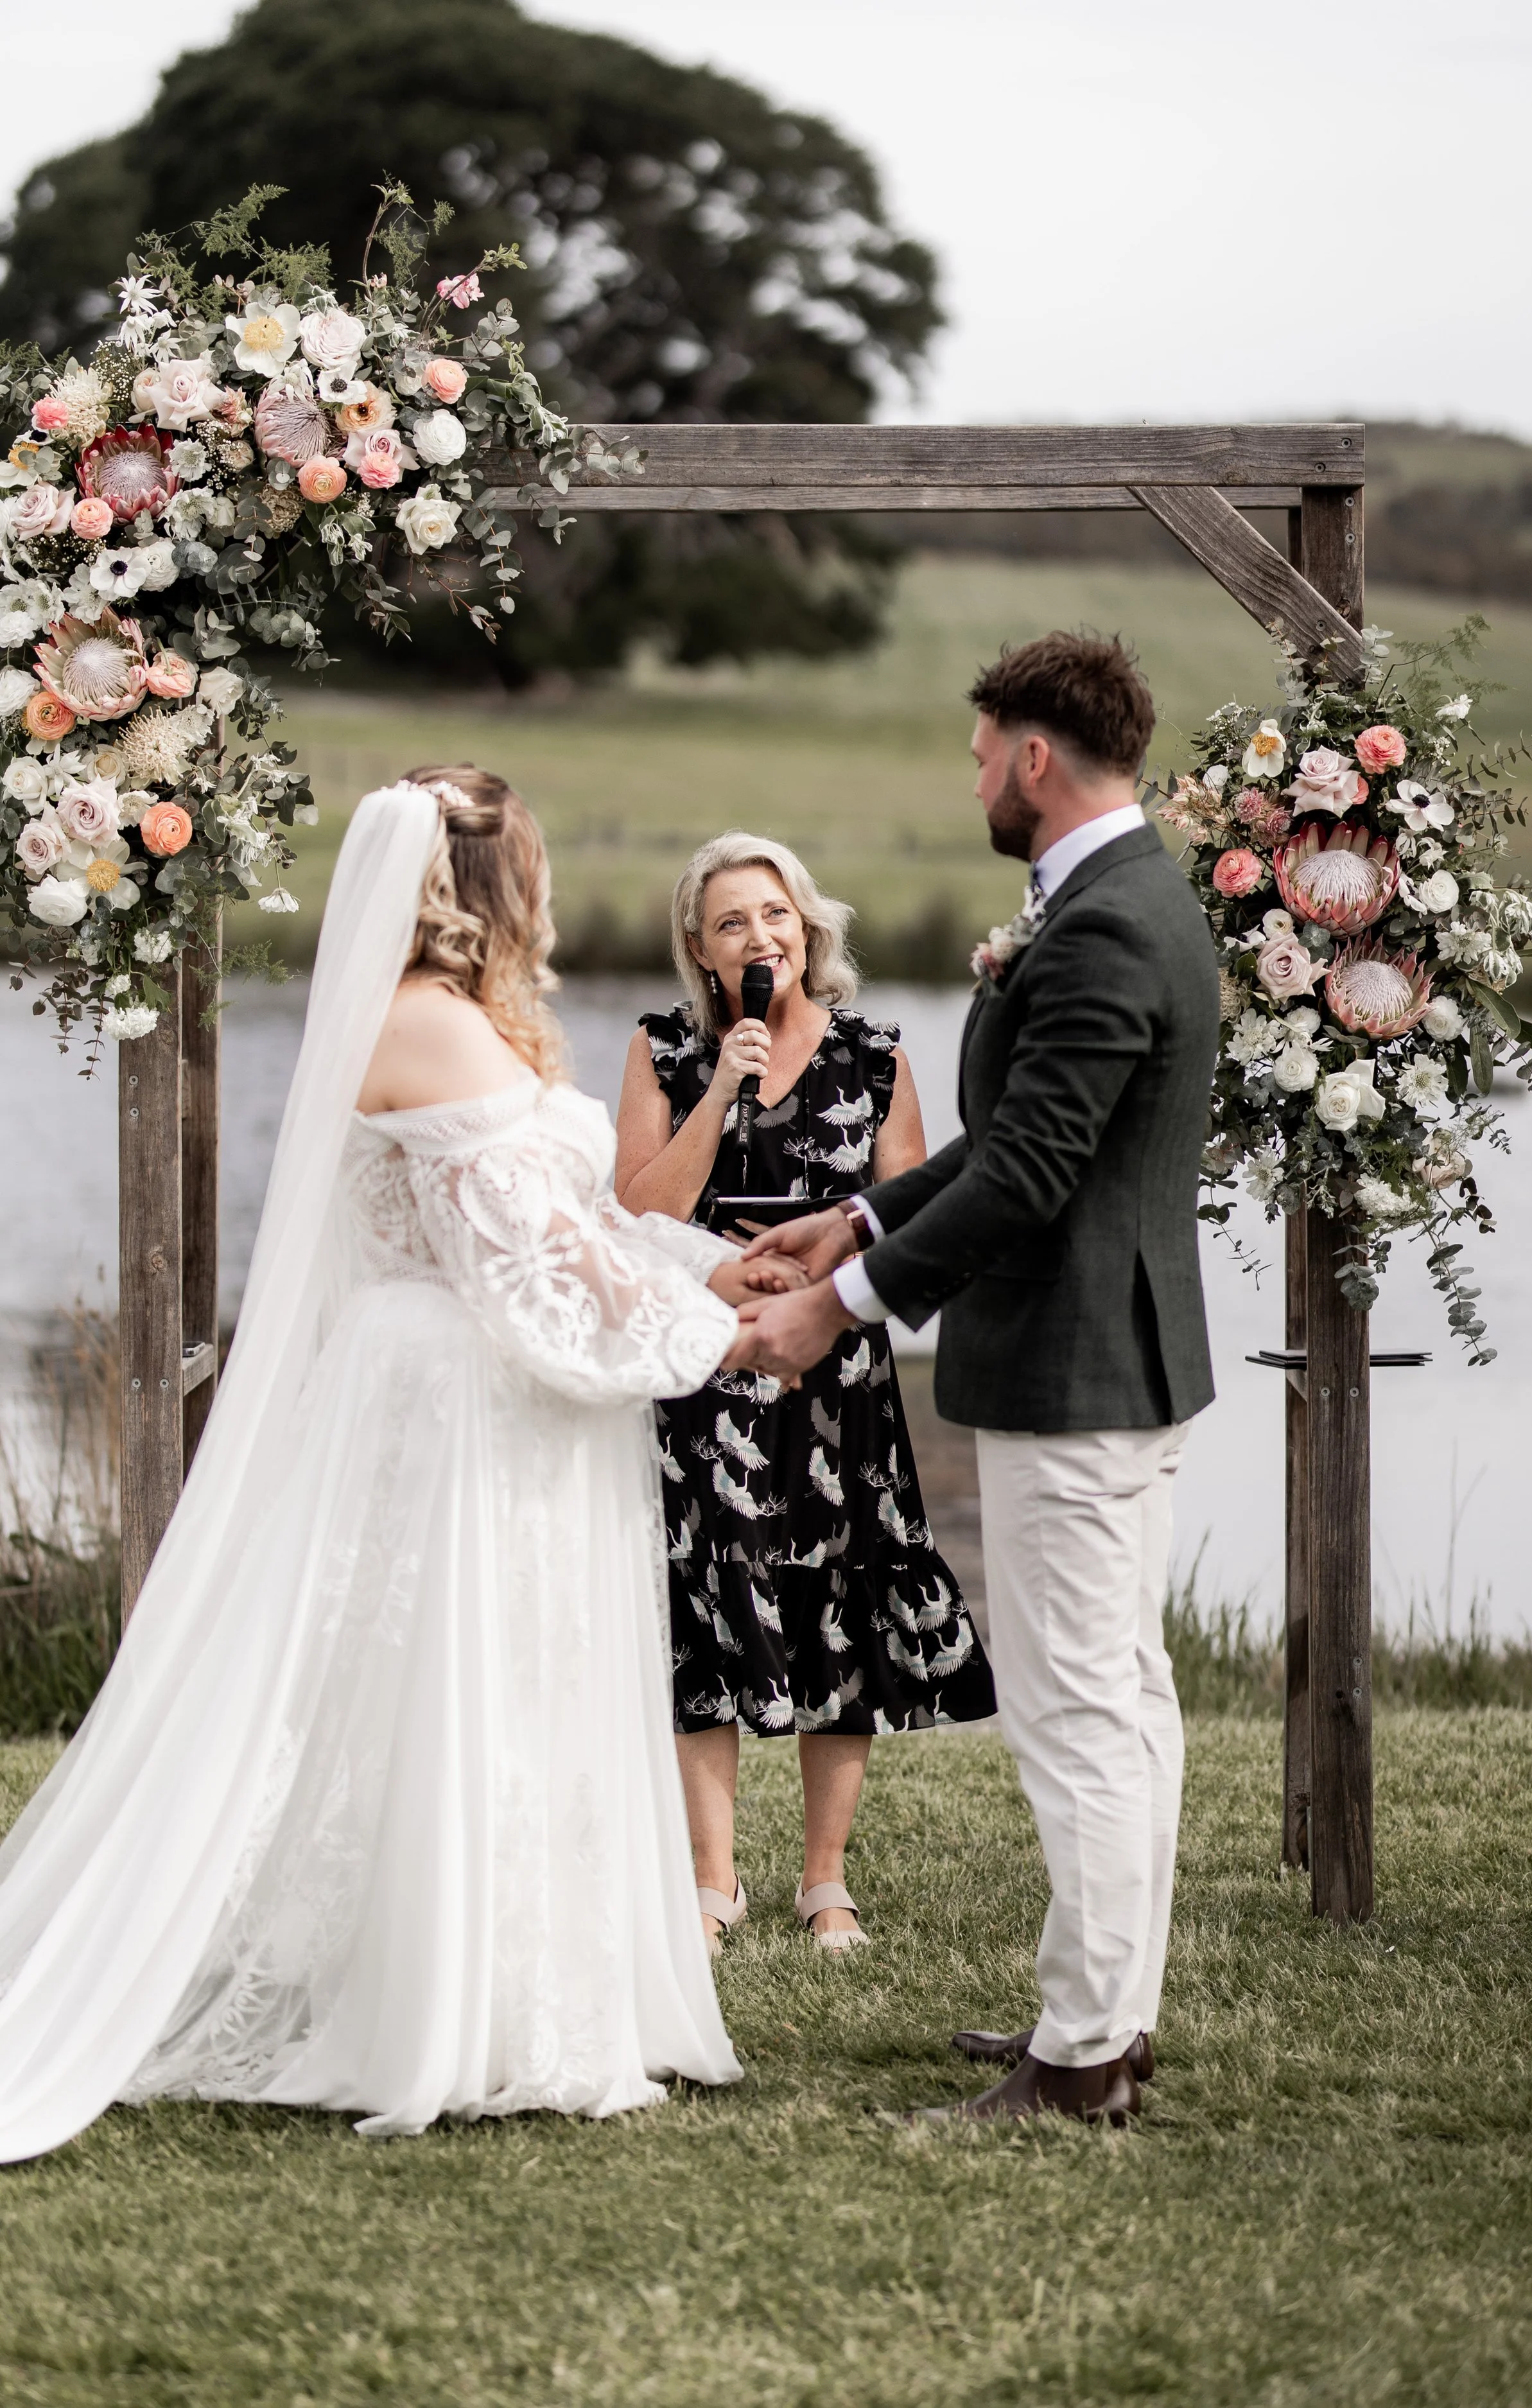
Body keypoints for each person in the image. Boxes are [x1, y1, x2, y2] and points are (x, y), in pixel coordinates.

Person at [0, 767, 786, 2164]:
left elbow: (575, 1223)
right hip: (461, 1394)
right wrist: (717, 1341)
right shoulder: (425, 1026)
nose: (537, 879)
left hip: (500, 1390)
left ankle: (528, 1980)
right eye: (525, 859)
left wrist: (716, 1272)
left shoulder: (467, 1020)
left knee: (520, 1677)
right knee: (471, 1680)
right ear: (490, 883)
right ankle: (466, 2007)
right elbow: (526, 1267)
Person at [739, 634, 1218, 2123]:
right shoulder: (1123, 899)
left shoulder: (1102, 929)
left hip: (1074, 1375)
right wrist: (862, 1213)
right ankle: (1100, 2020)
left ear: (1029, 755)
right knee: (1120, 1702)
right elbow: (1012, 1133)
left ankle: (1081, 2063)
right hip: (1111, 1362)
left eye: (977, 751)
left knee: (1080, 1715)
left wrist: (842, 1305)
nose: (970, 777)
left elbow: (1030, 1172)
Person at [614, 833, 994, 1957]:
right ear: (700, 946)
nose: (759, 937)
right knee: (706, 1612)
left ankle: (825, 1880)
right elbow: (637, 1213)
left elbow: (914, 1212)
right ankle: (713, 1879)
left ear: (808, 927)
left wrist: (815, 1284)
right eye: (732, 922)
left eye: (774, 915)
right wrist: (722, 1086)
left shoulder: (875, 1054)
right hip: (703, 1362)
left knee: (841, 1608)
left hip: (837, 1373)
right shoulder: (662, 1051)